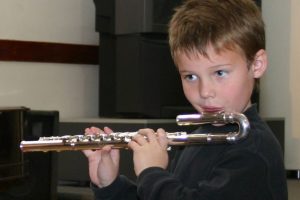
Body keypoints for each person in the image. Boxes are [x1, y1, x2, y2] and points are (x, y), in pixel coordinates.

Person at [83, 0, 288, 199]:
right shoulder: (199, 137)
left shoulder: (254, 150)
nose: (205, 91)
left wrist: (152, 173)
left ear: (257, 65)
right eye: (190, 76)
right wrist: (110, 185)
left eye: (220, 73)